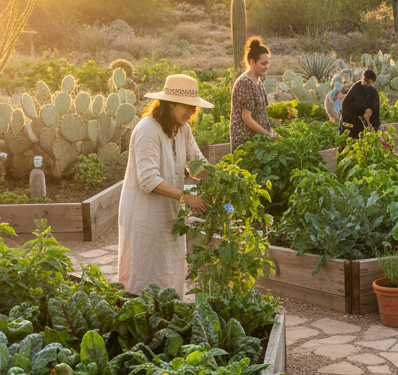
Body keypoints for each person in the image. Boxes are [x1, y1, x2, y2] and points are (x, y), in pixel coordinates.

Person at [117, 74, 210, 297]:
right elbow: (148, 180)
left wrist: (219, 175)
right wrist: (186, 197)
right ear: (170, 104)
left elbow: (196, 164)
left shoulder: (182, 129)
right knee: (147, 269)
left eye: (194, 108)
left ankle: (167, 318)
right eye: (187, 107)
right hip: (144, 212)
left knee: (169, 266)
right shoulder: (147, 129)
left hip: (168, 209)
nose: (191, 113)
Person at [229, 37, 279, 146]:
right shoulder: (245, 83)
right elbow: (246, 117)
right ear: (252, 62)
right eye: (263, 63)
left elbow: (263, 113)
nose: (267, 67)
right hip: (245, 142)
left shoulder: (258, 80)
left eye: (268, 63)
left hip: (257, 139)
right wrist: (267, 134)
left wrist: (273, 132)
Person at [338, 69, 382, 141]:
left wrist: (375, 126)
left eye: (369, 82)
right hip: (349, 121)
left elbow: (375, 111)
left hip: (354, 122)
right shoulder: (358, 87)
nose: (367, 85)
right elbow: (346, 105)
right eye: (366, 81)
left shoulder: (372, 92)